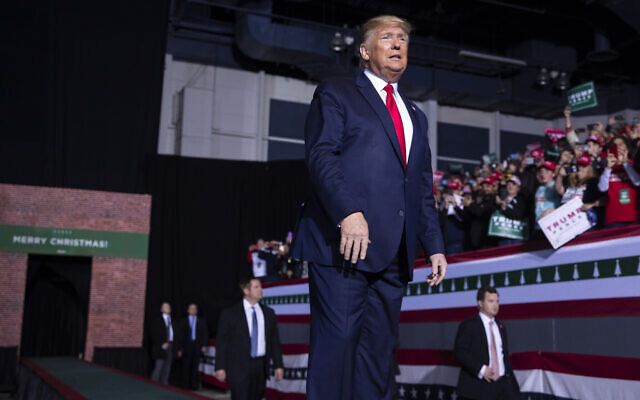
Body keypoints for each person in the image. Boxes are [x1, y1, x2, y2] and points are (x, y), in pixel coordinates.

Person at [290, 14, 447, 400]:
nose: (397, 44)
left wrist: (434, 244)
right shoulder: (337, 92)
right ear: (364, 50)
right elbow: (321, 156)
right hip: (344, 245)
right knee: (338, 347)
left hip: (393, 255)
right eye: (387, 37)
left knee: (377, 355)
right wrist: (348, 212)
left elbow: (420, 186)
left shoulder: (416, 115)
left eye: (403, 39)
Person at [215, 279, 284, 400]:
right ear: (246, 291)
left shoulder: (269, 313)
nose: (261, 289)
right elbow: (222, 342)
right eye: (256, 287)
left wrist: (278, 365)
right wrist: (220, 366)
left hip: (260, 367)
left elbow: (274, 341)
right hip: (238, 367)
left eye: (260, 287)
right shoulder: (230, 313)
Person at [454, 286, 520, 400]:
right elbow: (460, 352)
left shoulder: (501, 327)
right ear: (480, 303)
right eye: (491, 301)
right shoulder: (469, 325)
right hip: (478, 386)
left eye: (497, 301)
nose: (495, 305)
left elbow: (503, 356)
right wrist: (481, 369)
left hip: (502, 386)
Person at [177, 303, 209, 390]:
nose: (193, 310)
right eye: (191, 308)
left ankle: (194, 385)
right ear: (188, 310)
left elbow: (205, 333)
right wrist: (179, 348)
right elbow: (180, 336)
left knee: (195, 367)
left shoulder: (201, 320)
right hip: (186, 347)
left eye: (195, 308)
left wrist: (204, 345)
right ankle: (185, 385)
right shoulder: (183, 321)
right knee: (186, 366)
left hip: (197, 346)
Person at [151, 302, 176, 384]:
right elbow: (154, 334)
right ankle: (154, 384)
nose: (167, 308)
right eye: (165, 307)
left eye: (168, 306)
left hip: (171, 345)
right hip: (161, 346)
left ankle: (164, 384)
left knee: (167, 367)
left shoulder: (173, 320)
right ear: (161, 309)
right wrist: (161, 344)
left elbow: (176, 333)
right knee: (159, 366)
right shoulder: (157, 320)